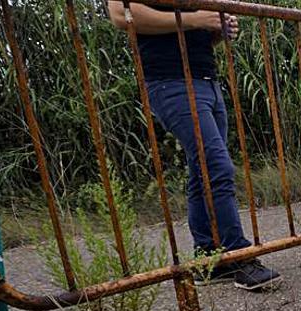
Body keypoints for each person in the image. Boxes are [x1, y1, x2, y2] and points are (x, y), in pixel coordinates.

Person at [108, 1, 280, 291]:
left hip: (205, 80)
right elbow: (121, 15)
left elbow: (193, 28)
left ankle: (209, 259)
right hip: (170, 82)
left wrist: (216, 27)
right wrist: (194, 18)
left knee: (203, 170)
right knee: (216, 166)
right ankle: (239, 255)